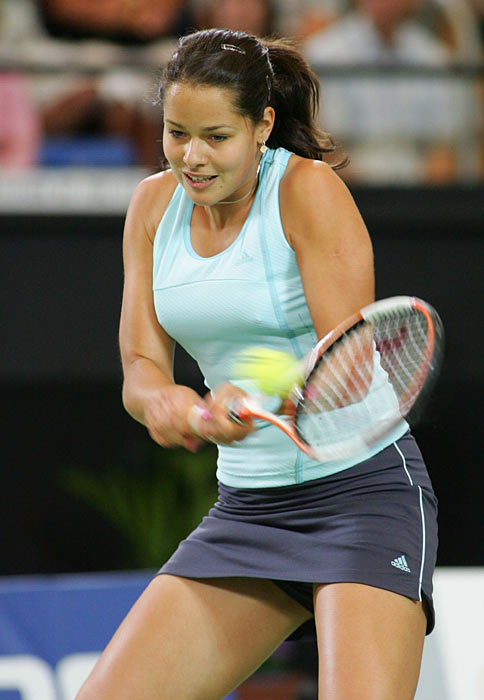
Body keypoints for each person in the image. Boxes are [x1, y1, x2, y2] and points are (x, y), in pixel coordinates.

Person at [75, 28, 438, 700]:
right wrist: (168, 404)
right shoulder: (152, 208)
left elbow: (350, 362)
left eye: (216, 136)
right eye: (177, 132)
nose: (192, 156)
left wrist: (267, 394)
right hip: (249, 511)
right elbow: (140, 363)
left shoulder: (307, 192)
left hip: (361, 499)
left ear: (262, 124)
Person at [302, 0, 482, 184]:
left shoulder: (434, 58)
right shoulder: (323, 55)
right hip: (347, 188)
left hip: (420, 193)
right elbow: (325, 148)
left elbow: (443, 151)